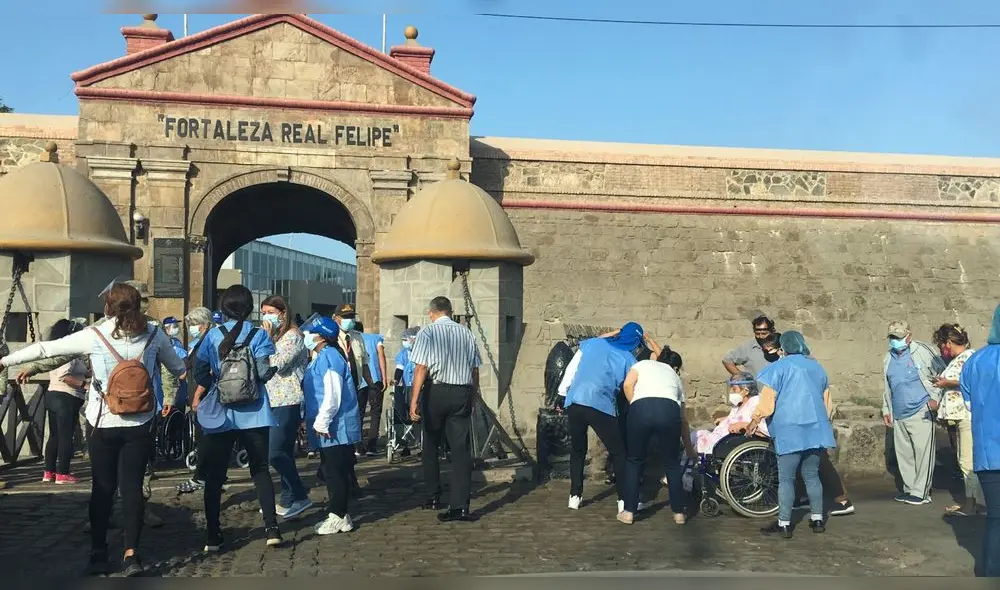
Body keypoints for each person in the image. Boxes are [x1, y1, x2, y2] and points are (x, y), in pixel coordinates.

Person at [0, 283, 184, 576]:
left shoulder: (95, 335)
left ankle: (98, 553)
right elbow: (179, 368)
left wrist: (6, 360)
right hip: (139, 423)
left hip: (102, 422)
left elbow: (47, 348)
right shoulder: (154, 334)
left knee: (103, 488)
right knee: (132, 489)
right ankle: (131, 554)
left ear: (108, 307)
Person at [192, 285, 282, 551]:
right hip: (255, 412)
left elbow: (199, 372)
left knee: (216, 474)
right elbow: (264, 373)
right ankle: (272, 528)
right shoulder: (259, 335)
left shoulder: (212, 336)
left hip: (222, 414)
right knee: (260, 470)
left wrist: (220, 383)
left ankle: (212, 535)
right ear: (248, 307)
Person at [748, 331, 835, 538]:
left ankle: (784, 523)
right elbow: (828, 403)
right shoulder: (817, 367)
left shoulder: (778, 368)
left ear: (783, 348)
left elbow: (768, 401)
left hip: (789, 430)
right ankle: (817, 520)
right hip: (815, 429)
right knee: (812, 476)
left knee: (786, 478)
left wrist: (755, 418)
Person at [557, 322, 644, 516]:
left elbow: (572, 369)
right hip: (600, 405)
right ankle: (623, 500)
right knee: (619, 453)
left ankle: (574, 496)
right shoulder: (630, 359)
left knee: (577, 450)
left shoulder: (593, 344)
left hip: (575, 401)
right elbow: (629, 386)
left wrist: (562, 393)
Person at [409, 296, 482, 522]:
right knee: (460, 450)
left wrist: (414, 400)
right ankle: (460, 506)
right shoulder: (467, 333)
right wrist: (472, 397)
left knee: (430, 444)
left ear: (432, 313)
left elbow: (421, 367)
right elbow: (474, 370)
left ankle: (433, 495)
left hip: (437, 391)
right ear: (450, 312)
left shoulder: (428, 333)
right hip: (461, 390)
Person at [618, 342, 696, 526]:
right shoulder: (675, 377)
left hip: (641, 409)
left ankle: (628, 511)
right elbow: (683, 419)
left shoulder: (642, 364)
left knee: (635, 460)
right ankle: (678, 513)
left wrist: (635, 404)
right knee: (671, 463)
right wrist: (689, 448)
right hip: (668, 410)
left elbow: (628, 385)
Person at [301, 317, 362, 535]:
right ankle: (340, 514)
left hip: (335, 425)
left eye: (309, 332)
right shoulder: (322, 357)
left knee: (335, 471)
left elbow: (333, 392)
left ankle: (337, 515)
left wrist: (322, 420)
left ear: (320, 335)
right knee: (333, 469)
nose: (306, 335)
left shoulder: (329, 356)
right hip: (330, 425)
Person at [882, 320, 946, 505]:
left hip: (921, 409)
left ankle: (921, 493)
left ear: (909, 337)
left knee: (923, 453)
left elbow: (942, 373)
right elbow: (887, 386)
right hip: (899, 413)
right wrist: (887, 409)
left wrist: (936, 399)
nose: (896, 341)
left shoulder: (923, 351)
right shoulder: (888, 358)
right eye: (893, 337)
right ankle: (909, 489)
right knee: (905, 455)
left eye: (899, 337)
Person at [260, 295, 311, 519]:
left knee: (275, 452)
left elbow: (277, 364)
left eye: (270, 312)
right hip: (271, 398)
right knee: (285, 452)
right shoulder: (278, 337)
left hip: (287, 398)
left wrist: (267, 338)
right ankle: (288, 498)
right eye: (263, 313)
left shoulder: (293, 336)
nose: (266, 317)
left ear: (282, 313)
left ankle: (300, 494)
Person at [959, 304, 1000, 577]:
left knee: (996, 519)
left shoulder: (974, 361)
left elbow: (969, 401)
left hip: (988, 453)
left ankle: (988, 573)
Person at [932, 324, 980, 516]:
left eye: (943, 345)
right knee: (964, 459)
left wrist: (946, 383)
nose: (943, 349)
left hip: (966, 415)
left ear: (949, 342)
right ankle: (970, 501)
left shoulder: (969, 357)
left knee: (967, 461)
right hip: (959, 416)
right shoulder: (959, 359)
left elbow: (971, 381)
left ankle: (972, 503)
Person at [40, 319, 90, 484]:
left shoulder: (55, 349)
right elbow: (64, 375)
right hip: (66, 396)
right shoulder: (68, 351)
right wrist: (84, 384)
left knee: (54, 436)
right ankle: (62, 473)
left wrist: (86, 373)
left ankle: (49, 472)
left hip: (53, 394)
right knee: (65, 436)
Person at [692, 371, 770, 455]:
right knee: (694, 435)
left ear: (746, 390)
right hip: (723, 437)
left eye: (734, 389)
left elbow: (763, 429)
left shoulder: (755, 403)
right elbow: (737, 416)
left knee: (700, 443)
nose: (731, 393)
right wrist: (726, 419)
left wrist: (743, 425)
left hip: (731, 442)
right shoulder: (738, 405)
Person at [355, 320, 387, 456]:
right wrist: (384, 376)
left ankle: (358, 446)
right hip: (375, 378)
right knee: (375, 412)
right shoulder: (375, 338)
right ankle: (371, 446)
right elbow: (381, 356)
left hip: (360, 379)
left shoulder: (353, 340)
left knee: (359, 413)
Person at [391, 326, 420, 455]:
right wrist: (396, 380)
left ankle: (420, 442)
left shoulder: (422, 352)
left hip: (418, 388)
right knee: (400, 413)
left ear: (414, 339)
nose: (405, 342)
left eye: (406, 339)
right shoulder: (403, 353)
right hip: (405, 387)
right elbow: (399, 369)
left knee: (419, 414)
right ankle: (403, 443)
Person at [723, 312, 778, 378]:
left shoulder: (782, 344)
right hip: (756, 388)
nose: (760, 337)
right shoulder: (749, 347)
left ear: (772, 331)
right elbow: (727, 360)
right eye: (757, 334)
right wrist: (740, 376)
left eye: (764, 333)